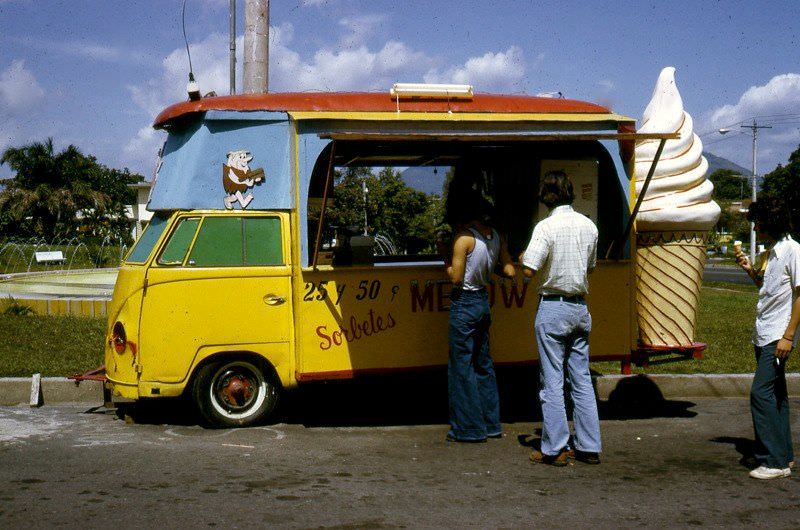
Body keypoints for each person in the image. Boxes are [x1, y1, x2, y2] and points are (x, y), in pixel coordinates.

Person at [520, 170, 601, 466]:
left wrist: (522, 259)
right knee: (581, 378)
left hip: (553, 306)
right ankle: (589, 446)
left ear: (545, 198)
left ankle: (555, 448)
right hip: (580, 307)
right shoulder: (589, 226)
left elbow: (529, 269)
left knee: (552, 381)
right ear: (571, 194)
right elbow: (591, 267)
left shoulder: (545, 227)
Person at [441, 198, 515, 443]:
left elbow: (456, 277)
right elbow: (509, 270)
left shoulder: (464, 239)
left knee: (462, 366)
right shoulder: (495, 236)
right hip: (483, 301)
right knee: (483, 363)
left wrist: (446, 258)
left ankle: (468, 428)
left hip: (464, 302)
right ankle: (491, 423)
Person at [735, 197, 798, 480]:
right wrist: (749, 269)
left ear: (771, 222)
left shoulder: (793, 251)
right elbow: (768, 287)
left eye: (759, 223)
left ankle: (773, 462)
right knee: (776, 396)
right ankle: (783, 455)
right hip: (764, 332)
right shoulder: (773, 253)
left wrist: (788, 336)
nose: (756, 228)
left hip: (777, 335)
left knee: (760, 394)